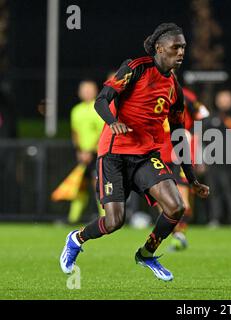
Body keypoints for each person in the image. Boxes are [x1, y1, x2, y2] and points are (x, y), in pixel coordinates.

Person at [60, 22, 210, 282]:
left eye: (184, 47)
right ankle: (76, 238)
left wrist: (192, 178)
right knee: (114, 222)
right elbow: (101, 99)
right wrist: (112, 122)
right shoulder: (136, 67)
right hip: (114, 154)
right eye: (176, 47)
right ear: (160, 48)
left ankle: (146, 254)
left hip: (145, 156)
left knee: (176, 208)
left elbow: (178, 136)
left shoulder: (175, 88)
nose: (181, 52)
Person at [159, 85, 209, 250]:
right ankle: (177, 234)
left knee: (183, 199)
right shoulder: (150, 93)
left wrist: (192, 135)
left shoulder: (185, 95)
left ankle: (180, 235)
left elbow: (203, 114)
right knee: (162, 200)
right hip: (158, 152)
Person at [203, 88, 231, 227]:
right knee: (213, 191)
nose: (224, 102)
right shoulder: (211, 118)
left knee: (230, 190)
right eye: (222, 99)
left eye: (227, 99)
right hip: (212, 160)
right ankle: (215, 219)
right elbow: (202, 139)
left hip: (230, 161)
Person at [68, 80, 105, 224]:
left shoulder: (99, 107)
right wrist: (79, 151)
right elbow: (75, 132)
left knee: (99, 185)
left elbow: (103, 132)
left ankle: (106, 218)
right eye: (84, 90)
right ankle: (72, 219)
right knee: (79, 187)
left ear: (95, 91)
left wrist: (89, 151)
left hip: (97, 154)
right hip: (82, 155)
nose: (86, 92)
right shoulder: (76, 110)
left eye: (89, 90)